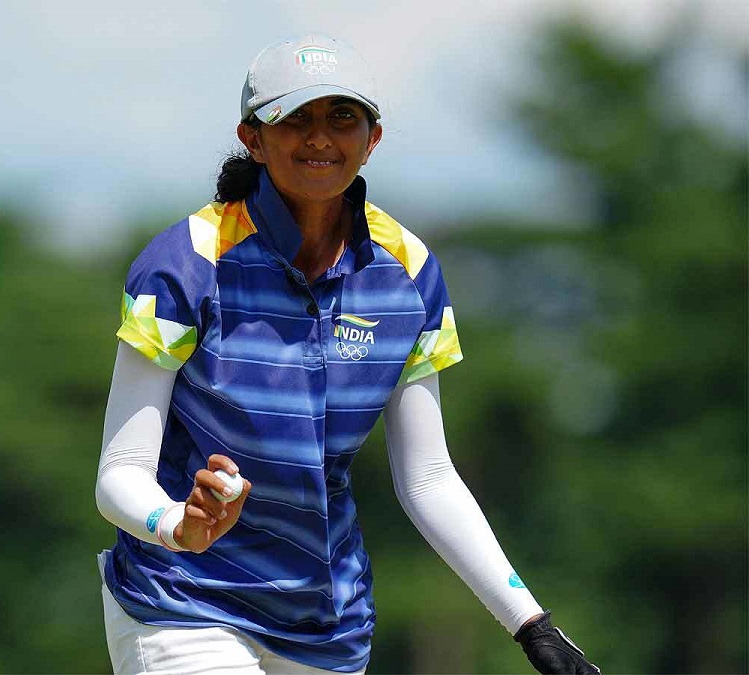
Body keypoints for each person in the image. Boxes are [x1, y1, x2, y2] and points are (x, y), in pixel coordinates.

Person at [95, 33, 600, 675]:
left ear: (372, 138)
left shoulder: (409, 271)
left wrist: (531, 626)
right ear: (253, 138)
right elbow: (119, 472)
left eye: (341, 117)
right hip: (182, 598)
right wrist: (178, 524)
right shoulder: (186, 261)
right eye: (294, 118)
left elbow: (428, 477)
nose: (319, 138)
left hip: (328, 624)